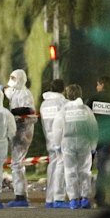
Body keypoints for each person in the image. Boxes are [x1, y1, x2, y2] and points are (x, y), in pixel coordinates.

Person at [53, 84, 98, 209]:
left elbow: (57, 129)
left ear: (67, 95)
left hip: (67, 143)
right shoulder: (86, 110)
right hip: (84, 142)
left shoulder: (63, 111)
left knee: (70, 171)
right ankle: (85, 198)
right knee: (85, 171)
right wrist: (93, 146)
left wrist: (57, 145)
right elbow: (93, 129)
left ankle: (73, 199)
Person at [85, 76, 110, 208]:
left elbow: (85, 115)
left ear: (101, 84)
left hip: (91, 137)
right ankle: (100, 198)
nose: (96, 87)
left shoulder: (92, 99)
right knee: (102, 168)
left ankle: (83, 197)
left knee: (86, 167)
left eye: (97, 84)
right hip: (107, 137)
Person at [4, 69, 38, 207]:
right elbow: (7, 92)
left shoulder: (25, 94)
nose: (12, 80)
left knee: (17, 163)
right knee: (17, 162)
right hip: (17, 130)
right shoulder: (15, 92)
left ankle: (20, 196)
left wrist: (11, 113)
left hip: (24, 131)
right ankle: (21, 194)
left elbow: (28, 110)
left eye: (14, 78)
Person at [40, 79, 69, 208]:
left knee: (52, 167)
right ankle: (59, 198)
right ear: (63, 89)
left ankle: (49, 199)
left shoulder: (44, 104)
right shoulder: (63, 103)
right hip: (62, 139)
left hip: (49, 138)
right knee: (60, 168)